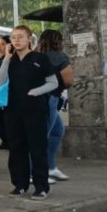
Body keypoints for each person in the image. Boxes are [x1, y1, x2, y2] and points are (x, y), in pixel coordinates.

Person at [0, 25, 58, 198]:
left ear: (29, 38)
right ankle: (19, 184)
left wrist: (35, 92)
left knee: (37, 148)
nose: (16, 40)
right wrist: (6, 58)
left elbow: (53, 83)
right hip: (12, 111)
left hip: (35, 110)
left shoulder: (40, 58)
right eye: (13, 37)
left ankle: (41, 186)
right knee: (16, 148)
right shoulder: (10, 60)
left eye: (21, 36)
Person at [37, 30, 73, 183]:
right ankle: (37, 172)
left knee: (57, 130)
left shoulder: (36, 55)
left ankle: (50, 166)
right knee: (41, 137)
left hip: (39, 97)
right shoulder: (60, 57)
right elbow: (68, 80)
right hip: (50, 97)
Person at [0, 36, 11, 150]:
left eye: (3, 44)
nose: (0, 47)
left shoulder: (8, 59)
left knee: (5, 119)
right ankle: (5, 140)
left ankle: (8, 141)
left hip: (6, 93)